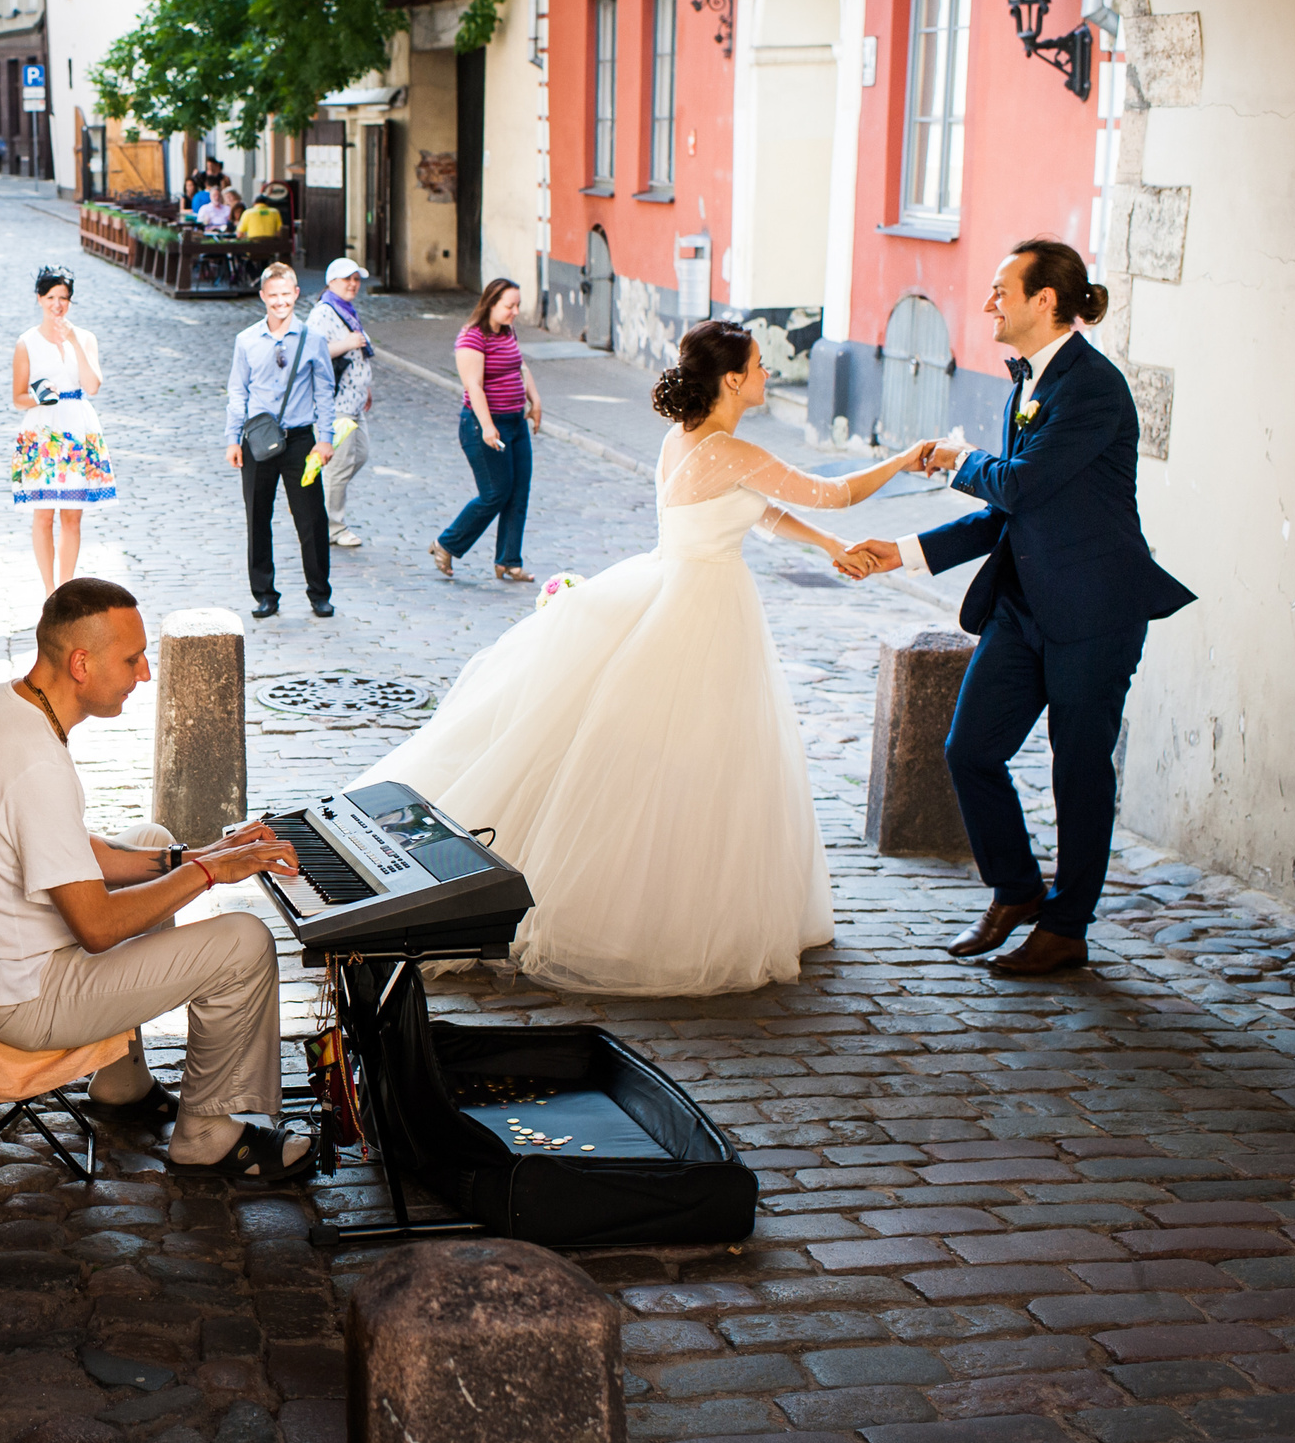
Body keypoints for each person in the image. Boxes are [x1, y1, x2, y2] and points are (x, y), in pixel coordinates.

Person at [356, 321, 939, 997]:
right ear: (732, 380)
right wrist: (904, 460)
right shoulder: (733, 450)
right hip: (704, 608)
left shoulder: (690, 440)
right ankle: (673, 911)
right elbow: (829, 489)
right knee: (701, 759)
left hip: (672, 586)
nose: (767, 374)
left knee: (673, 753)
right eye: (758, 364)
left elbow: (760, 511)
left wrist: (828, 545)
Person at [847, 239, 1195, 977]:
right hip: (1023, 609)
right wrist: (903, 551)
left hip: (1095, 614)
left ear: (1045, 299)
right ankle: (1015, 889)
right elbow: (1012, 513)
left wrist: (953, 458)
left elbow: (1021, 485)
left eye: (1002, 289)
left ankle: (1067, 927)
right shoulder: (1027, 386)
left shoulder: (1095, 388)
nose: (988, 303)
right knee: (969, 750)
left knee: (1078, 772)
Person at [0, 578, 314, 1179]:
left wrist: (191, 856)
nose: (143, 674)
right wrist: (212, 873)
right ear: (81, 663)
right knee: (243, 943)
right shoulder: (35, 763)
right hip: (21, 999)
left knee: (152, 840)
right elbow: (97, 927)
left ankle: (122, 1085)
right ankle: (209, 1135)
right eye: (132, 659)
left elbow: (64, 848)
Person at [224, 262, 337, 619]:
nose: (279, 302)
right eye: (272, 295)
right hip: (257, 440)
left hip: (300, 440)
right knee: (258, 517)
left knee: (311, 518)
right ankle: (264, 593)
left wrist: (326, 438)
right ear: (262, 297)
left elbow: (325, 392)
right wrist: (233, 439)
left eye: (285, 295)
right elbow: (237, 391)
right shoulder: (246, 340)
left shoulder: (313, 340)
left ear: (296, 295)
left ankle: (319, 591)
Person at [9, 263, 117, 591]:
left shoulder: (85, 338)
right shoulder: (26, 342)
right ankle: (48, 592)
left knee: (72, 516)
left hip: (77, 424)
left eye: (64, 298)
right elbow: (17, 396)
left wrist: (74, 342)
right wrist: (41, 399)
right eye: (52, 297)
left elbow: (93, 385)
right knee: (43, 516)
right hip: (43, 430)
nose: (58, 304)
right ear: (39, 298)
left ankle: (66, 588)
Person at [432, 277, 545, 582]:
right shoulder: (472, 338)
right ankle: (447, 544)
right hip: (481, 424)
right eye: (510, 306)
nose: (515, 311)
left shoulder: (507, 331)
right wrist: (487, 427)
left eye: (517, 305)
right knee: (495, 492)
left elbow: (521, 367)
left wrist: (534, 401)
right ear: (491, 304)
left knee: (519, 491)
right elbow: (474, 386)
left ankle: (509, 561)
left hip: (515, 423)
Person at [310, 256, 375, 547]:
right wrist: (348, 344)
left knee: (359, 455)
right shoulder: (324, 312)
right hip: (335, 403)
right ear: (332, 282)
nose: (352, 284)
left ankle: (314, 500)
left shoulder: (346, 310)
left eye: (356, 279)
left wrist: (366, 386)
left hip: (354, 401)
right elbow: (313, 352)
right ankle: (333, 527)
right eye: (347, 279)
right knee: (339, 465)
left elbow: (357, 355)